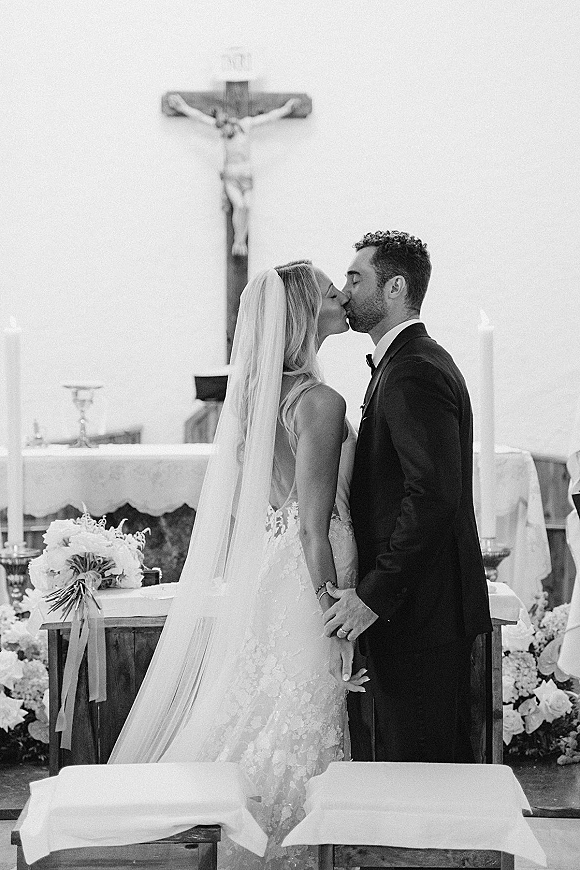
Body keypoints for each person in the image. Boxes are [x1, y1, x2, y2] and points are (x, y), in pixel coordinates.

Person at [109, 262, 365, 870]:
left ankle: (256, 847)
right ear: (304, 314)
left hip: (278, 570)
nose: (342, 299)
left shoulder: (258, 397)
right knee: (303, 712)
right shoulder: (319, 400)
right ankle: (291, 851)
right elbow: (311, 521)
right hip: (311, 571)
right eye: (331, 292)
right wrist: (333, 607)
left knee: (272, 709)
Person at [323, 230, 493, 763]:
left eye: (357, 278)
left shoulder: (413, 370)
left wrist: (373, 595)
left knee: (424, 769)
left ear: (395, 287)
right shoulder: (402, 363)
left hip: (423, 613)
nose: (345, 291)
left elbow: (432, 498)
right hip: (418, 607)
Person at [167, 94, 300, 256]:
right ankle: (239, 241)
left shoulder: (247, 124)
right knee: (240, 205)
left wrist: (286, 109)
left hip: (246, 175)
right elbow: (200, 117)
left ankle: (241, 241)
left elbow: (268, 118)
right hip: (231, 176)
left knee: (248, 206)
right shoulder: (222, 127)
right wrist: (182, 107)